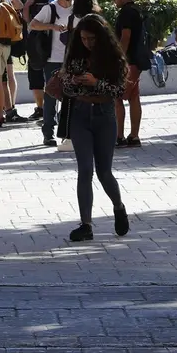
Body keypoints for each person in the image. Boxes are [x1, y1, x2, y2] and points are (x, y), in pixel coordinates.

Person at [54, 13, 130, 242]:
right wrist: (74, 82)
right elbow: (65, 85)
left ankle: (118, 207)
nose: (87, 43)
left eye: (92, 39)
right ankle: (86, 224)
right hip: (80, 115)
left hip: (105, 115)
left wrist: (96, 83)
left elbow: (119, 91)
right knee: (85, 169)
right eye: (84, 38)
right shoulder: (75, 56)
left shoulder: (113, 58)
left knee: (104, 171)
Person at [28, 0, 76, 150]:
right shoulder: (51, 8)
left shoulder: (78, 9)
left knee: (70, 98)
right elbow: (33, 24)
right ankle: (48, 133)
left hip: (72, 60)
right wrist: (53, 27)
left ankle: (66, 133)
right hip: (52, 60)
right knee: (51, 97)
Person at [111, 0, 145, 147]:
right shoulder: (136, 11)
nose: (114, 1)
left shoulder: (126, 13)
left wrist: (120, 59)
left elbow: (125, 37)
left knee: (116, 97)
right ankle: (134, 135)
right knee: (133, 97)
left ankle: (119, 136)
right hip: (137, 61)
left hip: (128, 61)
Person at [0, 0, 26, 124]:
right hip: (1, 41)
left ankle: (10, 106)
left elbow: (20, 6)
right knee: (3, 76)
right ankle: (3, 108)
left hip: (6, 40)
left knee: (8, 74)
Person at [23, 0, 53, 122]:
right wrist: (27, 6)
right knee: (34, 77)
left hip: (52, 44)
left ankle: (50, 110)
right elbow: (27, 20)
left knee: (51, 77)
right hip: (35, 44)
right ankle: (40, 108)